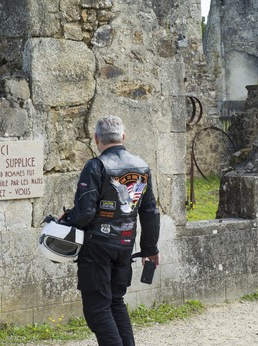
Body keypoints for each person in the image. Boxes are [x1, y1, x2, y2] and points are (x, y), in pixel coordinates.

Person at [62, 115, 160, 346]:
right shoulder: (142, 166)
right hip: (125, 245)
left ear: (96, 138)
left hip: (97, 247)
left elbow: (85, 213)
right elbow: (149, 212)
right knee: (115, 302)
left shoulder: (95, 166)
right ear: (123, 137)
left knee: (97, 310)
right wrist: (150, 249)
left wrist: (67, 220)